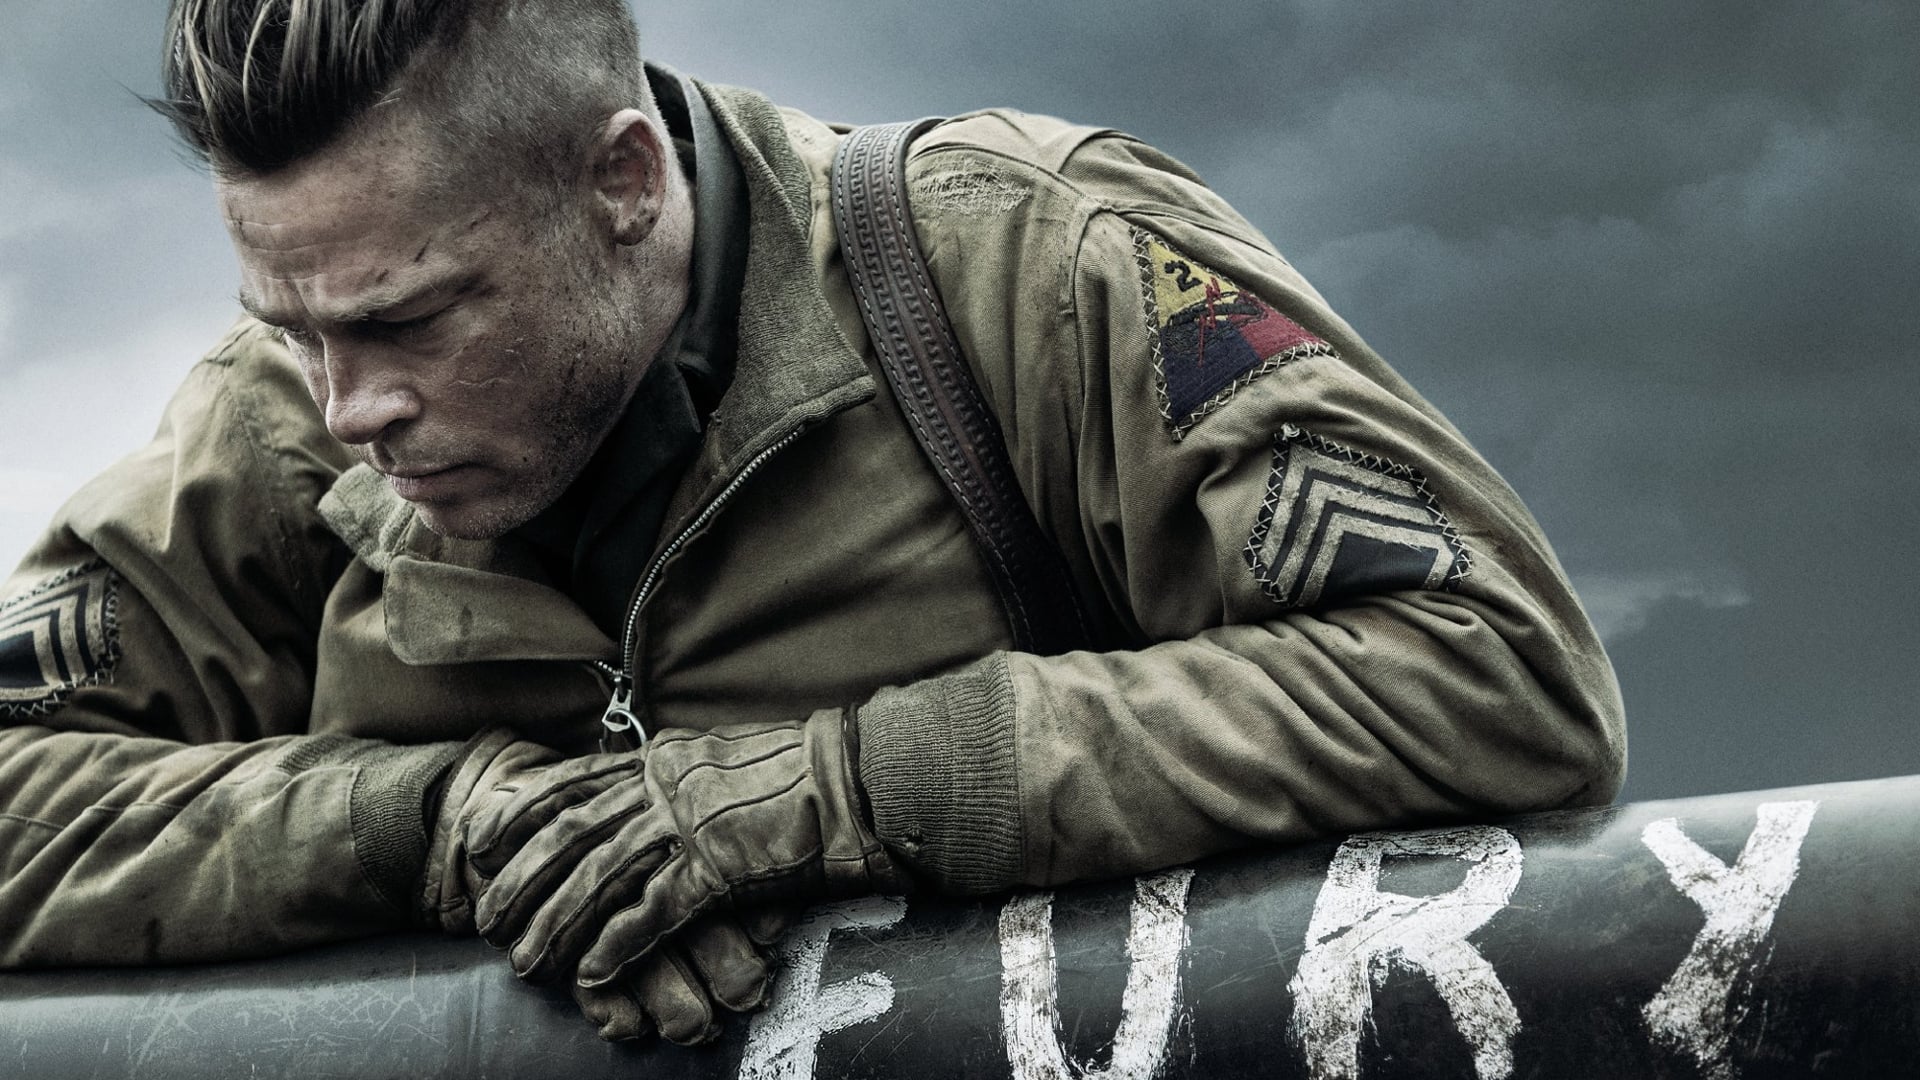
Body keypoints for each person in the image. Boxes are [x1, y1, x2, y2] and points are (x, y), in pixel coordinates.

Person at [0, 0, 1624, 1046]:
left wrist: (831, 794)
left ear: (624, 181)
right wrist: (438, 826)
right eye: (293, 324)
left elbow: (1491, 668)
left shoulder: (1034, 263)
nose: (349, 405)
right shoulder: (276, 419)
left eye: (413, 319)